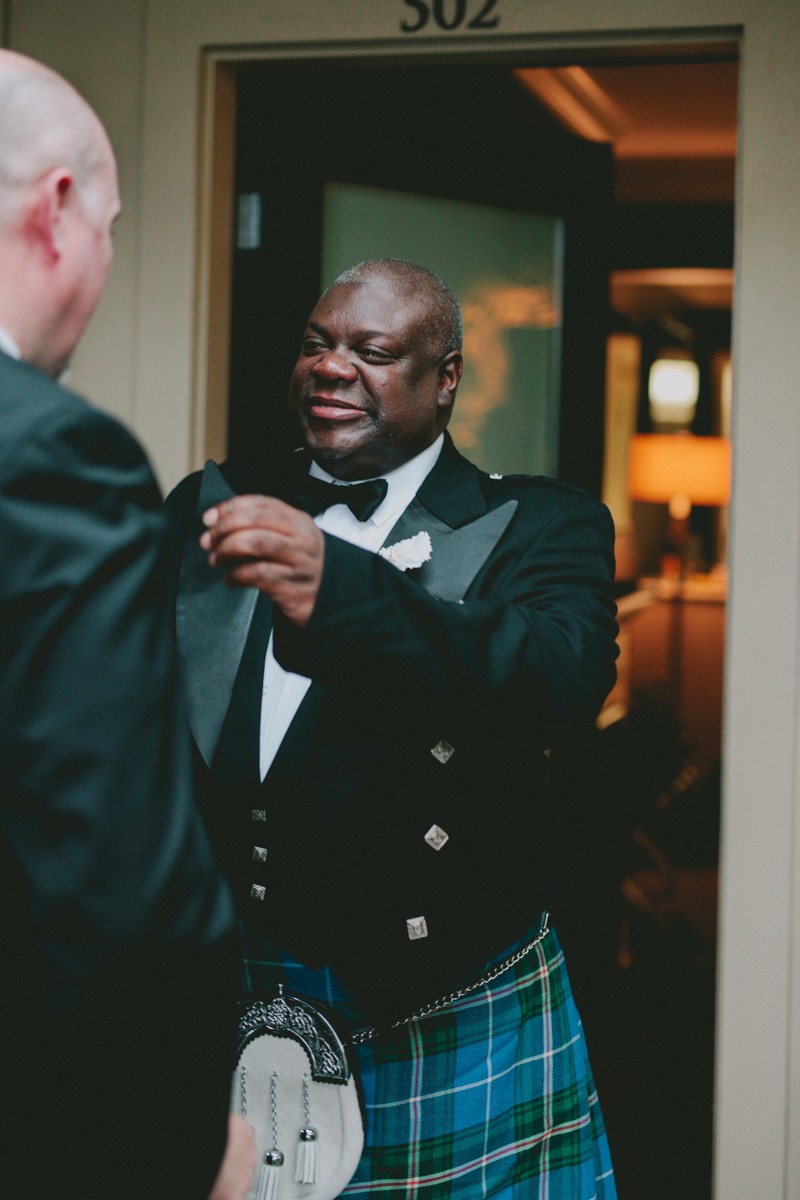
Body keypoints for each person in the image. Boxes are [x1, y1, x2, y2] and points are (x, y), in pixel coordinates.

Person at [167, 258, 619, 1197]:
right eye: (316, 344)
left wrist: (342, 593)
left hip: (437, 1009)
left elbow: (555, 674)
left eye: (372, 351)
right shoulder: (211, 502)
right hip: (225, 992)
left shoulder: (540, 524)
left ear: (445, 377)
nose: (332, 367)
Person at [0, 50, 254, 1199]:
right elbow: (116, 883)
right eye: (109, 227)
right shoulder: (53, 453)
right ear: (56, 212)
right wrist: (181, 1147)